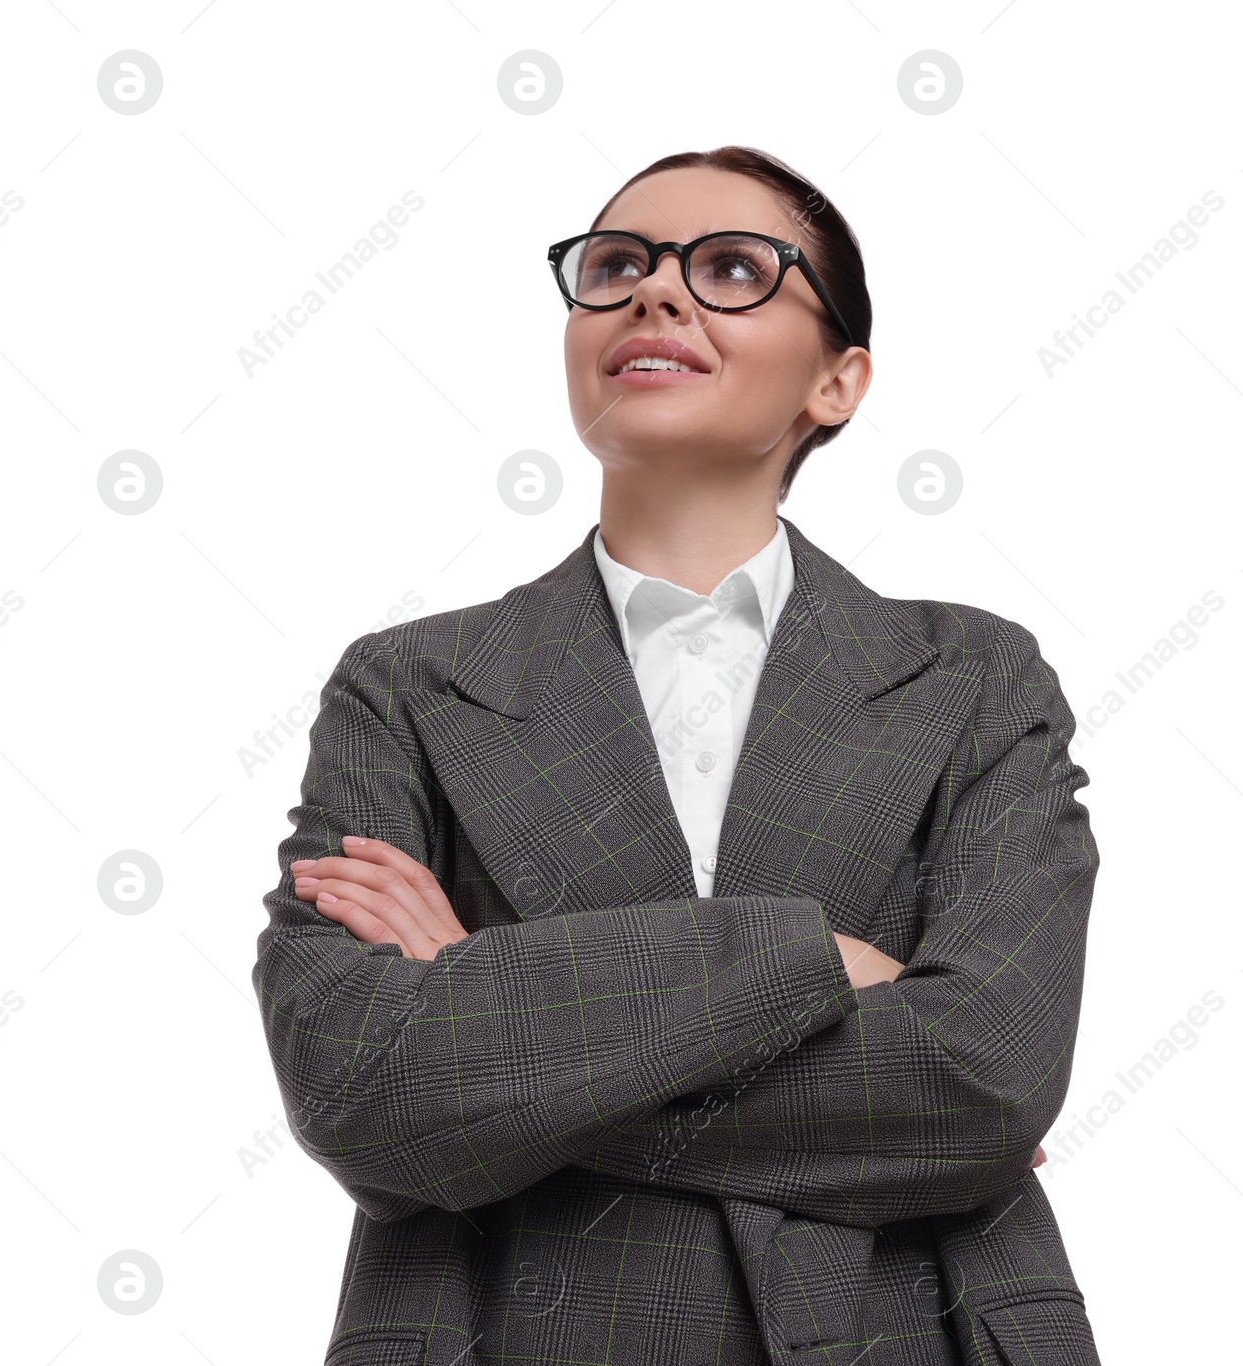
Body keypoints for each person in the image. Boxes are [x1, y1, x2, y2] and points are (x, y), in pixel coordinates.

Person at [253, 146, 1102, 1365]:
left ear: (837, 381)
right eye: (615, 266)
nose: (654, 293)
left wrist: (496, 992)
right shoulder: (408, 685)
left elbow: (982, 1079)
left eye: (731, 269)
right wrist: (807, 958)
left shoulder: (975, 677)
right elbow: (358, 1086)